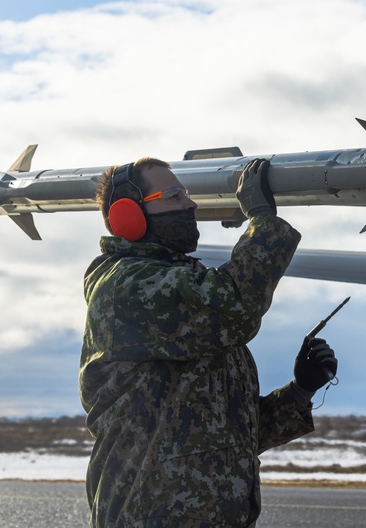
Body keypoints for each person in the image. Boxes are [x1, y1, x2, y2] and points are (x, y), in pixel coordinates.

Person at [80, 156, 338, 527]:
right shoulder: (127, 287)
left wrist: (300, 392)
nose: (190, 204)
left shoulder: (187, 302)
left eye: (185, 193)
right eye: (173, 196)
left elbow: (223, 438)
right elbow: (234, 305)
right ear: (128, 216)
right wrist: (261, 219)